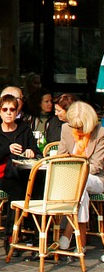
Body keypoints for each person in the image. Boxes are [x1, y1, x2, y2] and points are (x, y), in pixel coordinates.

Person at [0, 94, 42, 254]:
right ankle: (11, 235)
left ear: (17, 112)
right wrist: (5, 150)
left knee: (38, 185)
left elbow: (37, 152)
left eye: (12, 109)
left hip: (22, 172)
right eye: (5, 109)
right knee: (16, 189)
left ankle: (37, 234)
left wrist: (31, 151)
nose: (9, 113)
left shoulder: (25, 129)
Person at [56, 101, 104, 250]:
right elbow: (61, 156)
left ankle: (68, 233)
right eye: (75, 127)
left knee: (81, 182)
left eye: (81, 127)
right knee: (81, 191)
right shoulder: (66, 129)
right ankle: (80, 243)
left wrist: (75, 172)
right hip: (72, 179)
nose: (77, 130)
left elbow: (96, 166)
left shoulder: (100, 133)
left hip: (95, 178)